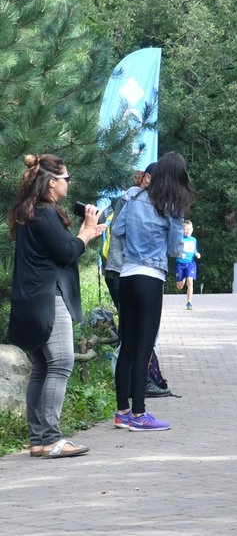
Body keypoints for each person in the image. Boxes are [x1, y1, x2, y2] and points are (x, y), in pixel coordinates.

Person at [8, 154, 104, 458]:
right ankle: (51, 438)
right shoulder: (45, 213)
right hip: (48, 299)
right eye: (67, 178)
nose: (69, 183)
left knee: (42, 367)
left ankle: (38, 441)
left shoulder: (29, 212)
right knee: (61, 364)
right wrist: (86, 232)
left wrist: (85, 235)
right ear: (52, 182)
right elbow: (65, 253)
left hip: (30, 300)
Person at [112, 151, 196, 432]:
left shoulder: (135, 198)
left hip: (127, 275)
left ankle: (122, 411)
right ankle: (139, 414)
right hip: (150, 279)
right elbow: (174, 249)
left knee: (127, 345)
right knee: (144, 348)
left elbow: (118, 229)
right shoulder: (171, 206)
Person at [175, 220, 200, 310]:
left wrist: (197, 254)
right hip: (180, 264)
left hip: (190, 264)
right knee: (179, 287)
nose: (187, 231)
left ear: (192, 230)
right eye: (185, 229)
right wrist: (179, 254)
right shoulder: (179, 239)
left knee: (190, 281)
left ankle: (189, 303)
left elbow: (194, 250)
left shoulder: (194, 240)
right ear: (182, 230)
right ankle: (183, 278)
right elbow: (174, 251)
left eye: (189, 229)